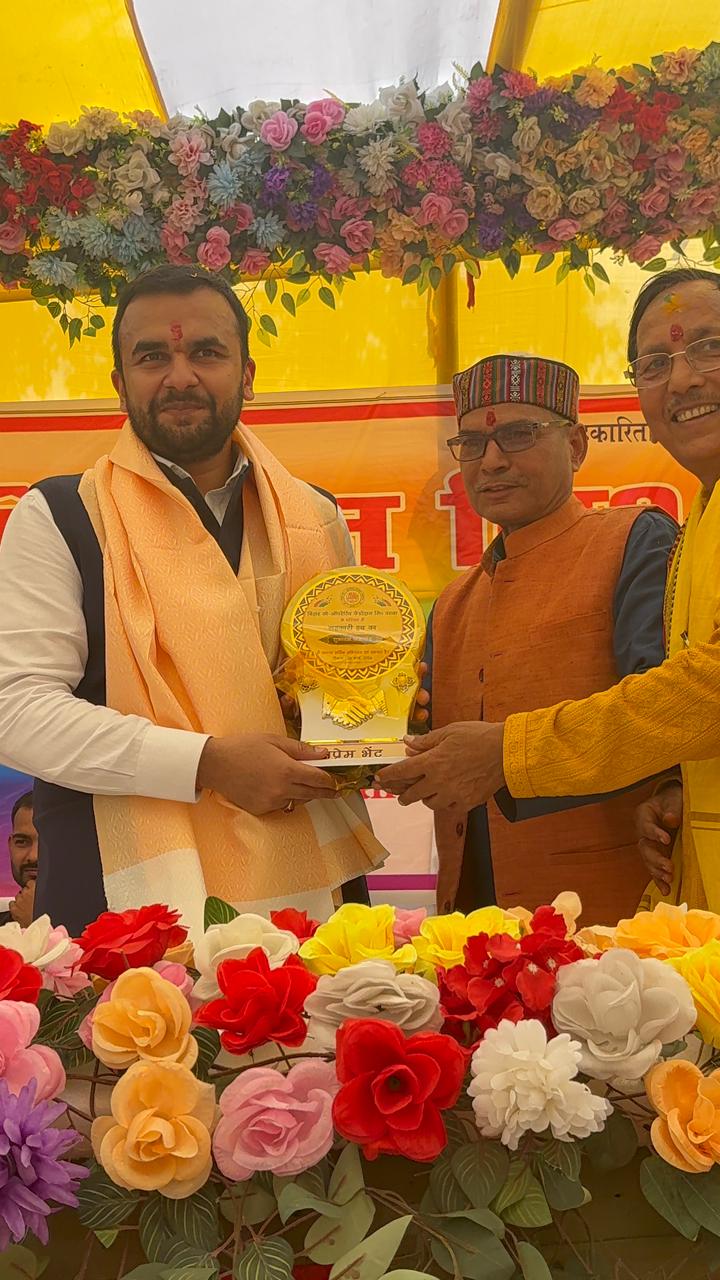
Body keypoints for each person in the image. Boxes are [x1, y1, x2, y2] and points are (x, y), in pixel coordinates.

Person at [0, 265, 388, 937]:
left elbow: (333, 692)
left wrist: (373, 717)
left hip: (309, 882)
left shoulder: (314, 517)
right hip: (125, 897)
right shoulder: (61, 514)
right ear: (120, 383)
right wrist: (206, 763)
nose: (180, 377)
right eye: (153, 357)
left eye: (206, 352)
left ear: (247, 373)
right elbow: (18, 710)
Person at [382, 269, 720, 916]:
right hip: (476, 922)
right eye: (472, 443)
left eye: (518, 435)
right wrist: (373, 718)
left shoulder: (634, 540)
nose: (493, 460)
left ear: (577, 444)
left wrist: (666, 790)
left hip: (607, 915)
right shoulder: (451, 604)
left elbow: (670, 707)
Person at [0, 792, 37, 927]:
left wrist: (34, 924)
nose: (33, 856)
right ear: (10, 845)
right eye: (22, 842)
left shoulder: (93, 928)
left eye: (47, 843)